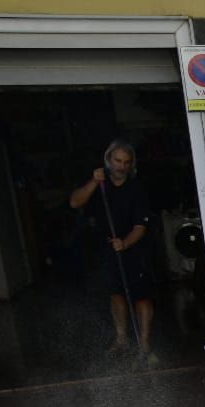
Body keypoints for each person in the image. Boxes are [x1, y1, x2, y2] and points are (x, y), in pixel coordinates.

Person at [69, 140, 157, 366]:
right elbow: (74, 202)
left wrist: (125, 243)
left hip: (135, 249)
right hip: (108, 249)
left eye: (126, 162)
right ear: (108, 161)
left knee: (141, 296)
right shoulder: (99, 184)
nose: (121, 166)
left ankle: (144, 344)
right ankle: (122, 339)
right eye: (117, 161)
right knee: (116, 293)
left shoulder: (137, 188)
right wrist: (93, 182)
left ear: (131, 165)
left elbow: (140, 226)